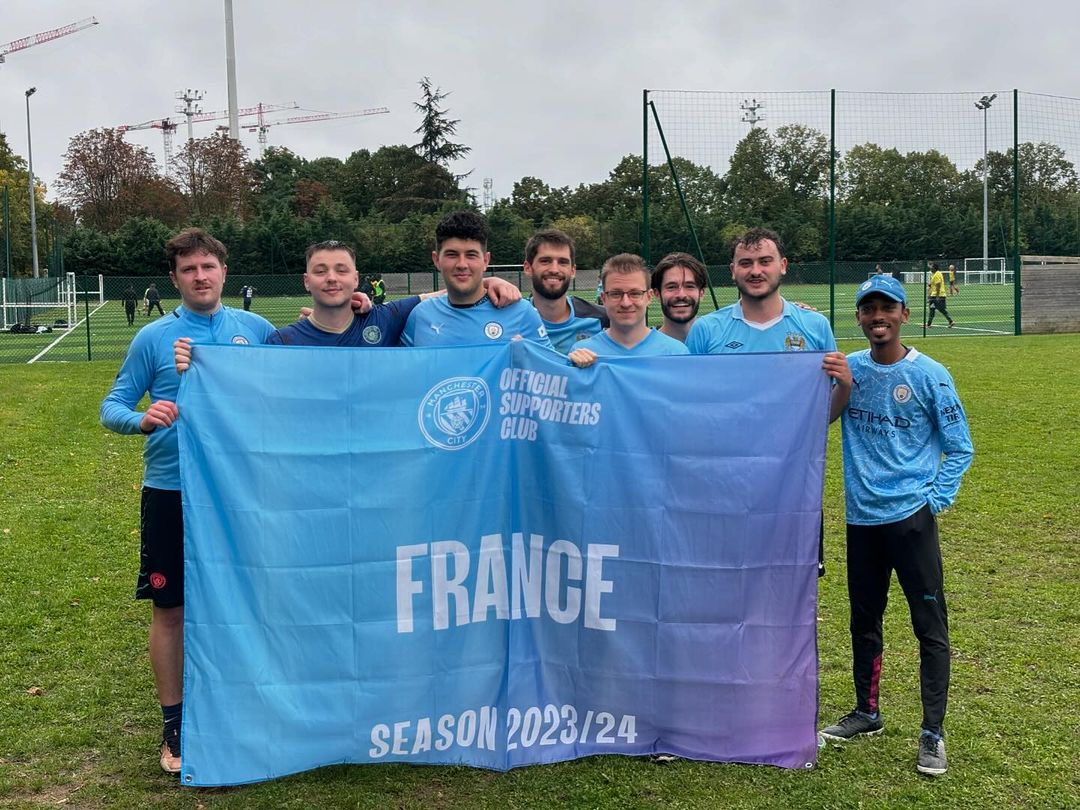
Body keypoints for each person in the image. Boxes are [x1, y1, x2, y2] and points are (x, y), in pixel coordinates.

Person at [100, 228, 276, 775]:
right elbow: (113, 405)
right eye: (189, 270)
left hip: (244, 491)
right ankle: (175, 723)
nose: (201, 277)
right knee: (171, 609)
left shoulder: (257, 330)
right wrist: (143, 419)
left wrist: (363, 306)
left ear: (225, 272)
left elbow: (302, 380)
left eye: (209, 267)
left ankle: (245, 708)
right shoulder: (154, 338)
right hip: (173, 490)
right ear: (174, 279)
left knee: (250, 601)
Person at [819, 274, 973, 777]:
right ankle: (867, 711)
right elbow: (815, 410)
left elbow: (960, 445)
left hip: (911, 522)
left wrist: (933, 502)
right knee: (864, 621)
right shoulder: (851, 371)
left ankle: (933, 733)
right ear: (859, 317)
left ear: (905, 314)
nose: (878, 317)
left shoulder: (930, 374)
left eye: (888, 308)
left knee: (929, 627)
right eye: (869, 310)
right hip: (861, 521)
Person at [685, 227, 852, 577]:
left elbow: (819, 416)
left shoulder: (813, 327)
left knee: (792, 588)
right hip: (724, 487)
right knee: (722, 581)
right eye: (745, 263)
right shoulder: (707, 331)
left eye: (765, 261)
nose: (755, 271)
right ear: (732, 270)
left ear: (783, 265)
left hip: (792, 490)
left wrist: (846, 386)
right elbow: (689, 410)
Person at [399, 211, 553, 349]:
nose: (462, 264)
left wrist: (576, 360)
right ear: (436, 259)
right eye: (452, 254)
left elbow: (554, 371)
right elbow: (403, 373)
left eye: (471, 255)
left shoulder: (521, 312)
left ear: (486, 260)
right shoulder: (420, 315)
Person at [568, 253, 688, 366]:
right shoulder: (583, 354)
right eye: (616, 294)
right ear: (604, 299)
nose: (626, 303)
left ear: (649, 297)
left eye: (635, 293)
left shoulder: (676, 353)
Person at [523, 228, 608, 354]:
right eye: (545, 261)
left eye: (563, 262)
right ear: (528, 268)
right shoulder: (512, 319)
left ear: (573, 271)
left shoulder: (602, 319)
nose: (554, 269)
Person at [650, 252, 707, 342]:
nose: (681, 295)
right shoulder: (644, 349)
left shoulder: (719, 344)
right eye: (671, 287)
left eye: (689, 286)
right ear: (657, 294)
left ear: (701, 293)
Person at [926, 263, 954, 328]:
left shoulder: (937, 274)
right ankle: (929, 324)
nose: (930, 268)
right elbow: (932, 284)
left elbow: (938, 285)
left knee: (939, 309)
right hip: (934, 295)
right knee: (933, 309)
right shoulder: (934, 274)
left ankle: (951, 321)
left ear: (934, 268)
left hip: (938, 295)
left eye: (931, 267)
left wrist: (937, 296)